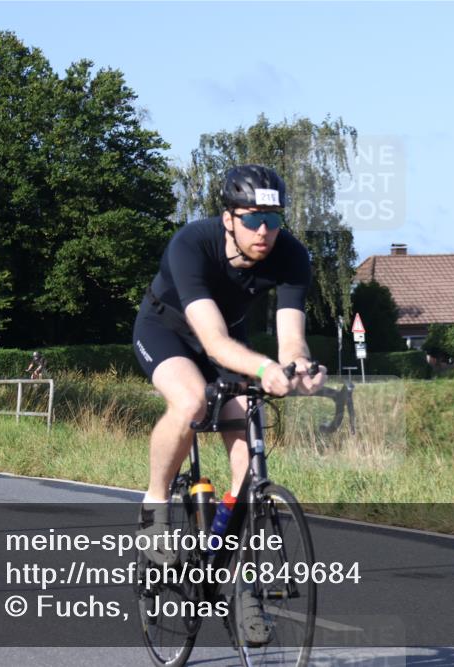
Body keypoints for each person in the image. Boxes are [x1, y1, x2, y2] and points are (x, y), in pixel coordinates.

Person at [132, 165, 326, 644]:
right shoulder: (190, 245)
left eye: (274, 221)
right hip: (168, 330)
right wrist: (262, 371)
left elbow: (290, 340)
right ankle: (154, 510)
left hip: (230, 340)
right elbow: (213, 343)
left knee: (248, 462)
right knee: (193, 399)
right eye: (253, 219)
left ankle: (242, 588)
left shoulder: (292, 257)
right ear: (228, 219)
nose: (265, 231)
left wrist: (298, 369)